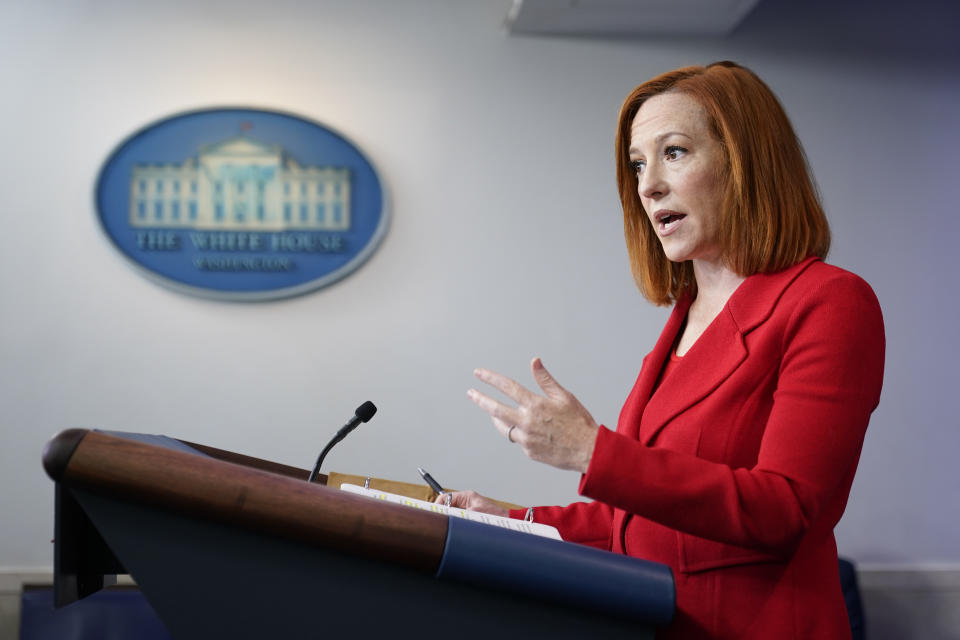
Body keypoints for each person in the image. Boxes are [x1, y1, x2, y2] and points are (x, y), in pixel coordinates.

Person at [440, 61, 885, 639]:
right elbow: (638, 520)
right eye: (637, 164)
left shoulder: (830, 301)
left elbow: (785, 510)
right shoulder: (682, 318)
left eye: (673, 152)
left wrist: (591, 452)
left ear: (745, 162)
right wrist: (512, 522)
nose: (647, 185)